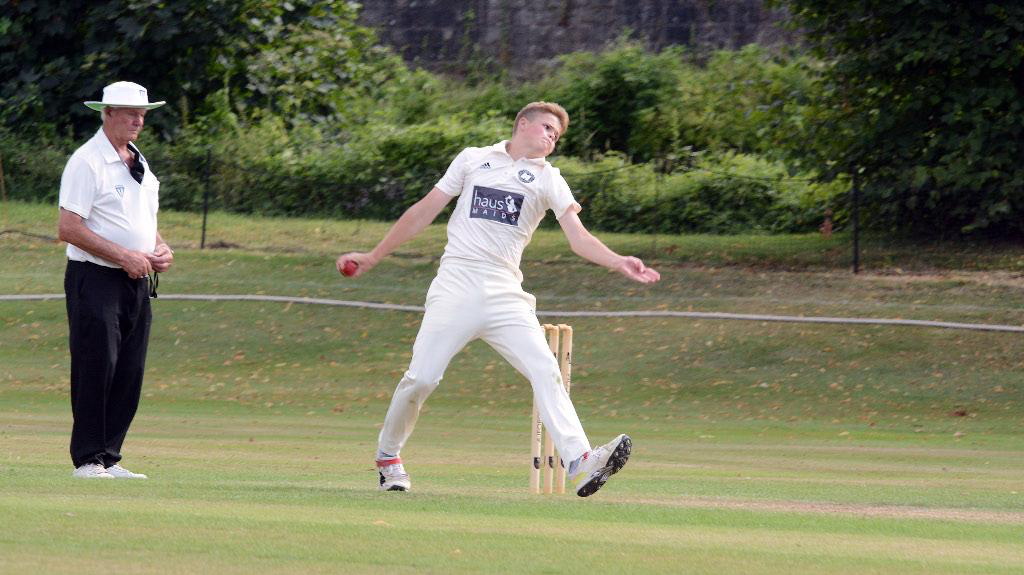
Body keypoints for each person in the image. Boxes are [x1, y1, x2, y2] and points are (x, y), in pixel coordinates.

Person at [336, 101, 660, 497]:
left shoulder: (549, 178)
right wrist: (373, 256)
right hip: (456, 283)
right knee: (422, 378)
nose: (551, 137)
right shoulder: (473, 159)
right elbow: (424, 211)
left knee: (546, 370)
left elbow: (578, 237)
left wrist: (617, 261)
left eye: (556, 135)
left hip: (505, 292)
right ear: (522, 123)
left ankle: (581, 461)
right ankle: (388, 457)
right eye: (546, 127)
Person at [57, 81, 174, 479]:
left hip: (136, 280)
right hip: (95, 278)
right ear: (106, 113)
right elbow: (69, 227)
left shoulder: (138, 160)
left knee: (129, 369)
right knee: (97, 364)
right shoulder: (87, 161)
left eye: (141, 114)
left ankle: (108, 455)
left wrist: (160, 248)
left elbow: (142, 221)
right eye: (129, 113)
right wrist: (123, 255)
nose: (138, 120)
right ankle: (88, 458)